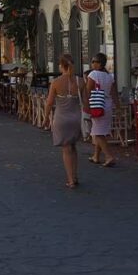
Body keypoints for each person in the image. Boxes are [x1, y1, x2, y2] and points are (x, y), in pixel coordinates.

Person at [44, 54, 83, 189]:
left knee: (66, 149)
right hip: (76, 118)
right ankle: (75, 175)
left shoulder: (55, 82)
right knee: (73, 147)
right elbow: (87, 102)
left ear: (61, 66)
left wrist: (45, 118)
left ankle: (70, 179)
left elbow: (49, 103)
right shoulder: (80, 81)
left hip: (61, 118)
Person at [85, 53, 120, 168]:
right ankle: (96, 156)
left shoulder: (93, 74)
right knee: (99, 129)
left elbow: (88, 91)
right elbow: (114, 92)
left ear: (99, 63)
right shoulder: (110, 76)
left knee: (98, 133)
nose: (92, 63)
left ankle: (109, 156)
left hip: (96, 104)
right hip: (107, 104)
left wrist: (86, 106)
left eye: (94, 61)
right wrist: (118, 106)